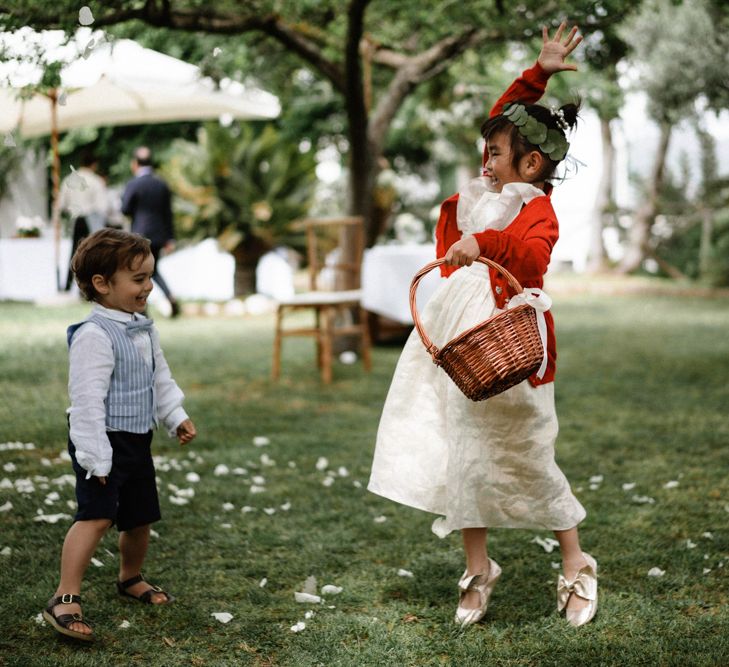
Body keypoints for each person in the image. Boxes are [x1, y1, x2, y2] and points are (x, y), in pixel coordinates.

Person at [368, 22, 598, 628]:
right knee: (464, 452)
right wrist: (541, 72)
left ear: (530, 161)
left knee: (528, 451)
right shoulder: (496, 177)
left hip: (510, 345)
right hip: (460, 340)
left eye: (496, 153)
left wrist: (483, 241)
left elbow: (527, 260)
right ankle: (478, 566)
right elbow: (506, 114)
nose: (484, 161)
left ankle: (576, 562)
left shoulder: (538, 212)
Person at [42, 228, 197, 642]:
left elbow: (159, 378)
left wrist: (175, 414)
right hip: (100, 439)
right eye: (138, 279)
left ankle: (130, 578)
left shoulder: (143, 328)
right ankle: (65, 596)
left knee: (139, 515)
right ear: (102, 284)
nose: (147, 287)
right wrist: (96, 458)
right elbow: (87, 401)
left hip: (136, 438)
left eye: (149, 276)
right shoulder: (94, 336)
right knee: (96, 516)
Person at [121, 146, 180, 317]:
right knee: (153, 269)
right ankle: (170, 297)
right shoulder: (161, 184)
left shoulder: (133, 184)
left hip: (140, 234)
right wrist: (170, 238)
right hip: (160, 235)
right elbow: (168, 213)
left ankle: (142, 305)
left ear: (135, 164)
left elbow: (125, 209)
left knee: (139, 271)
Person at [58, 149, 111, 291]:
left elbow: (61, 205)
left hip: (76, 220)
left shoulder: (69, 179)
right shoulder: (96, 181)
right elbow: (102, 206)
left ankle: (68, 285)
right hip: (91, 220)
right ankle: (91, 287)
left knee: (74, 254)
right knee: (93, 255)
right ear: (94, 164)